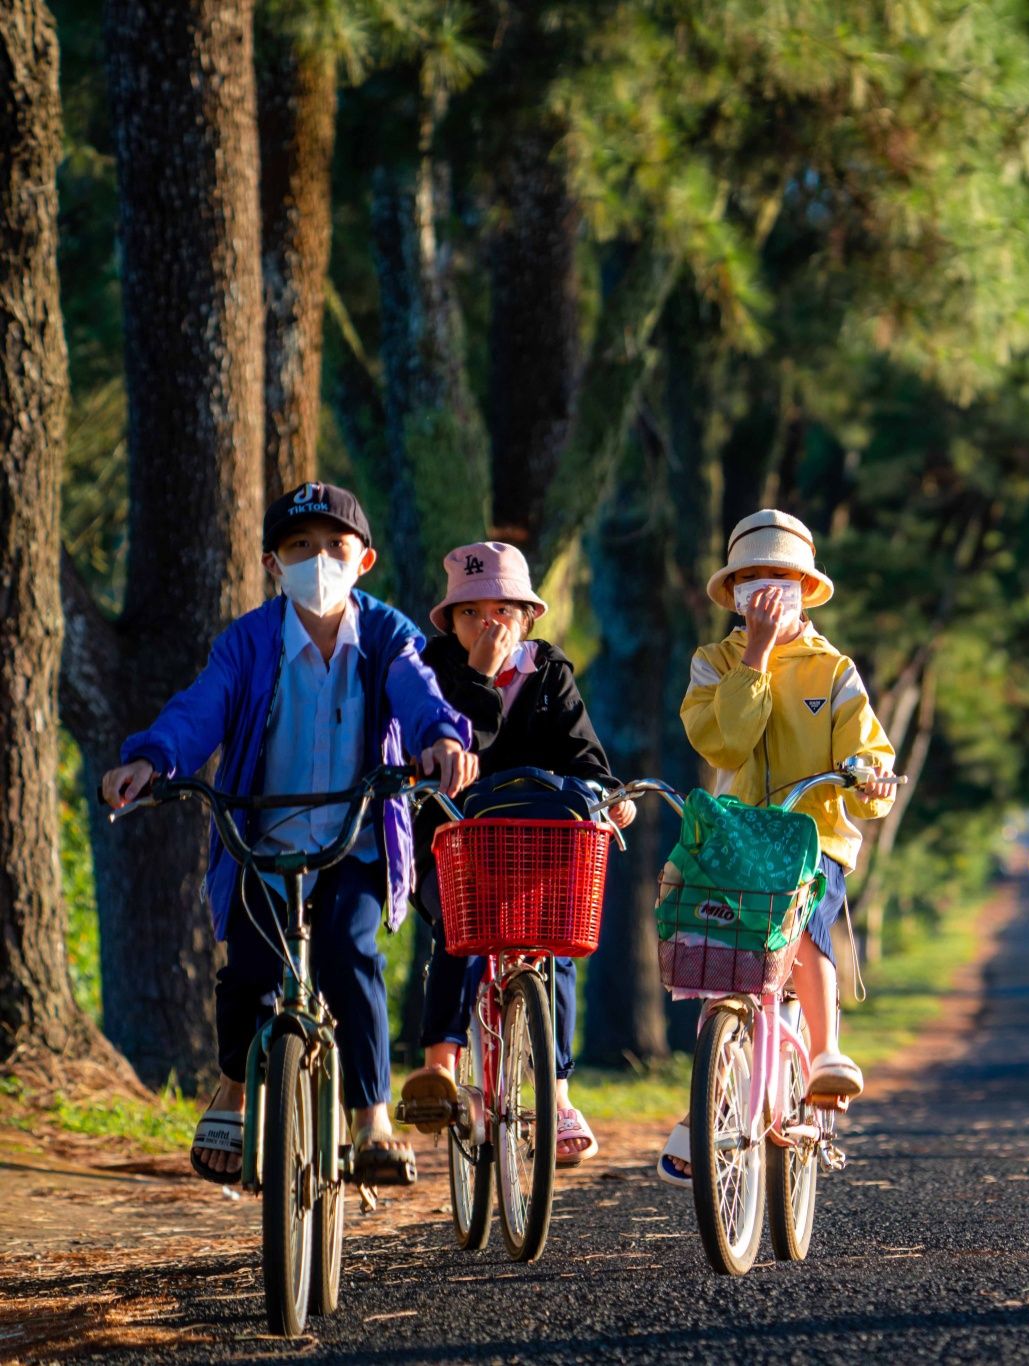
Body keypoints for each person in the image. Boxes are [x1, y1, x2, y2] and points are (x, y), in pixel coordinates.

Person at [99, 482, 477, 1185]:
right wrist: (151, 760)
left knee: (349, 953)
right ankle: (235, 1091)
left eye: (335, 545)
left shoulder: (387, 634)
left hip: (352, 840)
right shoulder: (247, 641)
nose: (319, 560)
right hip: (262, 842)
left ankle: (372, 1119)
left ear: (364, 560)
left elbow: (419, 693)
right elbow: (199, 711)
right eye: (300, 547)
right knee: (247, 971)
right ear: (273, 563)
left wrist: (441, 739)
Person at [660, 509, 901, 1185]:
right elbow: (727, 743)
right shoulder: (712, 664)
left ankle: (825, 1055)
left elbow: (868, 754)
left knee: (802, 918)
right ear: (734, 591)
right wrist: (757, 657)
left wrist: (870, 779)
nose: (767, 589)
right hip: (736, 837)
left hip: (810, 836)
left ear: (807, 587)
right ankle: (712, 1101)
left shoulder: (834, 669)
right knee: (717, 961)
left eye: (781, 576)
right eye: (753, 577)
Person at [397, 542, 636, 1166]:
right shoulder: (431, 671)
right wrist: (478, 677)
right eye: (471, 612)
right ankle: (440, 1068)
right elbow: (440, 747)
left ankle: (557, 1097)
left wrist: (608, 797)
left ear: (528, 617)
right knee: (460, 933)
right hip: (454, 846)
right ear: (451, 621)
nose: (489, 623)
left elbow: (584, 756)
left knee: (556, 946)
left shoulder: (548, 671)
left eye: (503, 609)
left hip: (536, 852)